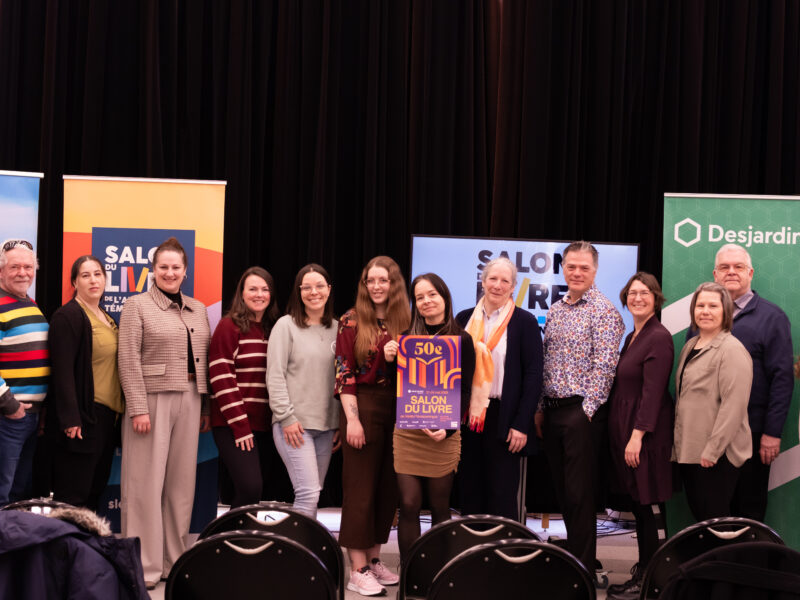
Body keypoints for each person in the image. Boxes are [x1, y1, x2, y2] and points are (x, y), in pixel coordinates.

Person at [118, 237, 211, 588]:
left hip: (191, 398)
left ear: (185, 272)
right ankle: (144, 566)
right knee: (144, 485)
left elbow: (202, 359)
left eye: (176, 267)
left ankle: (175, 561)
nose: (169, 272)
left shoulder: (198, 308)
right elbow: (127, 359)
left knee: (180, 486)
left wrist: (204, 404)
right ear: (152, 271)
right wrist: (138, 407)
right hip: (151, 401)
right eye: (163, 267)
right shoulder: (136, 305)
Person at [536, 241, 625, 578]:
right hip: (553, 409)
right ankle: (575, 557)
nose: (576, 272)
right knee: (563, 491)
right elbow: (548, 363)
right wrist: (541, 406)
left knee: (579, 494)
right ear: (562, 268)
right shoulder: (557, 308)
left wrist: (585, 411)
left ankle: (582, 571)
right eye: (571, 266)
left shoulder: (603, 311)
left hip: (581, 413)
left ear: (595, 271)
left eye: (583, 268)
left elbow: (605, 367)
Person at [384, 273, 476, 563]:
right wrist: (390, 362)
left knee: (440, 506)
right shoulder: (406, 339)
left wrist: (448, 429)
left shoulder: (462, 339)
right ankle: (411, 574)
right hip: (409, 434)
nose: (426, 301)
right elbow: (398, 389)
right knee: (409, 505)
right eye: (420, 297)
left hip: (443, 435)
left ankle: (438, 572)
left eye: (432, 294)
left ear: (444, 297)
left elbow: (465, 390)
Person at [335, 256, 410, 597]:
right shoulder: (351, 320)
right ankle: (357, 568)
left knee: (387, 489)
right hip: (362, 404)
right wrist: (352, 419)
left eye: (384, 280)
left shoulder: (408, 320)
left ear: (395, 284)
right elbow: (344, 372)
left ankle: (376, 559)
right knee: (360, 489)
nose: (377, 286)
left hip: (401, 407)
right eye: (371, 280)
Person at [455, 257, 543, 523]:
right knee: (469, 488)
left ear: (513, 286)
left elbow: (533, 376)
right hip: (469, 416)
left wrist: (522, 424)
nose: (498, 285)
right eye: (493, 278)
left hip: (505, 417)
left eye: (505, 280)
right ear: (483, 282)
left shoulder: (524, 322)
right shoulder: (463, 318)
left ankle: (503, 558)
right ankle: (471, 552)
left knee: (502, 492)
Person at [710, 243, 792, 521]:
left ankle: (749, 565)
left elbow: (782, 380)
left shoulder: (773, 317)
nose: (731, 272)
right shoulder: (705, 314)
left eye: (738, 267)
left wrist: (772, 433)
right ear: (715, 275)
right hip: (711, 432)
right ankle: (719, 565)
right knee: (715, 509)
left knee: (749, 509)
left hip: (753, 433)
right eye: (724, 267)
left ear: (751, 273)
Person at [605, 273, 674, 600]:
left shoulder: (658, 336)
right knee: (639, 504)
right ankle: (645, 570)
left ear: (656, 298)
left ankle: (652, 578)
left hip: (645, 435)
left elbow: (653, 393)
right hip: (627, 430)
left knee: (649, 506)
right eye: (632, 293)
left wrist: (637, 437)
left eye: (645, 293)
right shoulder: (634, 334)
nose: (638, 298)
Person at [209, 266, 289, 508]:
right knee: (250, 488)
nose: (259, 294)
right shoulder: (229, 326)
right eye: (252, 289)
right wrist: (241, 427)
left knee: (251, 494)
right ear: (241, 294)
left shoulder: (273, 329)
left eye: (265, 289)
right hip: (234, 424)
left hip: (265, 425)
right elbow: (221, 377)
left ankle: (238, 543)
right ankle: (223, 540)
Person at [48, 255, 124, 510]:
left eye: (98, 274)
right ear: (74, 282)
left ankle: (84, 549)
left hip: (106, 420)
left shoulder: (106, 317)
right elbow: (62, 371)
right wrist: (71, 419)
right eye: (85, 275)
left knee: (94, 492)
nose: (93, 280)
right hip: (83, 419)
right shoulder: (68, 316)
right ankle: (64, 549)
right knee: (73, 495)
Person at [673, 282, 752, 521]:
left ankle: (722, 561)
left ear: (725, 312)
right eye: (700, 305)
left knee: (716, 523)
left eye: (713, 306)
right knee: (702, 522)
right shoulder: (690, 345)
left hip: (716, 454)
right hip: (691, 449)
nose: (705, 311)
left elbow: (734, 407)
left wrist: (713, 450)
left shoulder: (731, 350)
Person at [267, 264, 339, 519]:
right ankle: (296, 556)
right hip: (294, 426)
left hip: (326, 427)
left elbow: (341, 379)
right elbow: (275, 375)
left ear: (329, 290)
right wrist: (286, 418)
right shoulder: (285, 326)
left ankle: (304, 553)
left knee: (313, 494)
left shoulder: (338, 329)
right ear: (299, 292)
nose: (313, 292)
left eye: (319, 286)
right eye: (306, 287)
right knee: (307, 493)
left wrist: (339, 422)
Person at [0, 239, 49, 507]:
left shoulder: (29, 303)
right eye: (15, 267)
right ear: (1, 271)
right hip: (7, 417)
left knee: (18, 495)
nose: (23, 273)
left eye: (28, 267)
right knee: (3, 493)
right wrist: (9, 405)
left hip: (29, 417)